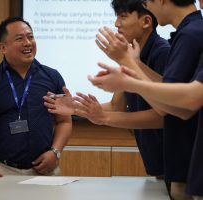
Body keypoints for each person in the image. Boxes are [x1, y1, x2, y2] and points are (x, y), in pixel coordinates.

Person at [88, 0, 203, 199]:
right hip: (181, 163)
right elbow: (179, 104)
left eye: (123, 16)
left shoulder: (190, 34)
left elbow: (179, 105)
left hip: (185, 161)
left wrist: (128, 69)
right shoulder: (189, 32)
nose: (117, 24)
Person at [44, 0, 170, 179]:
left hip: (174, 158)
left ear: (146, 21)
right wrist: (76, 109)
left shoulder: (161, 53)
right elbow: (116, 105)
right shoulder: (130, 54)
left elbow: (162, 116)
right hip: (157, 161)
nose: (117, 24)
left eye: (123, 16)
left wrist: (105, 119)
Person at [0, 17, 72, 178]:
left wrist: (55, 152)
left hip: (45, 169)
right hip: (3, 170)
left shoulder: (52, 76)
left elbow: (64, 121)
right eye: (20, 38)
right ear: (3, 47)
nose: (27, 43)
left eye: (30, 37)